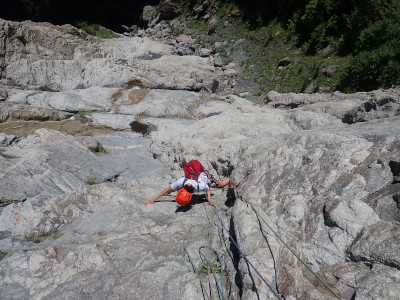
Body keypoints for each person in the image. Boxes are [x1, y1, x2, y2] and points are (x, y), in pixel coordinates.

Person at [144, 172, 232, 209]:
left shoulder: (200, 187)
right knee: (171, 189)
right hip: (194, 179)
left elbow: (208, 189)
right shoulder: (180, 182)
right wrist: (153, 199)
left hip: (204, 177)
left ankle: (232, 177)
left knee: (221, 185)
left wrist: (210, 201)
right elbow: (166, 189)